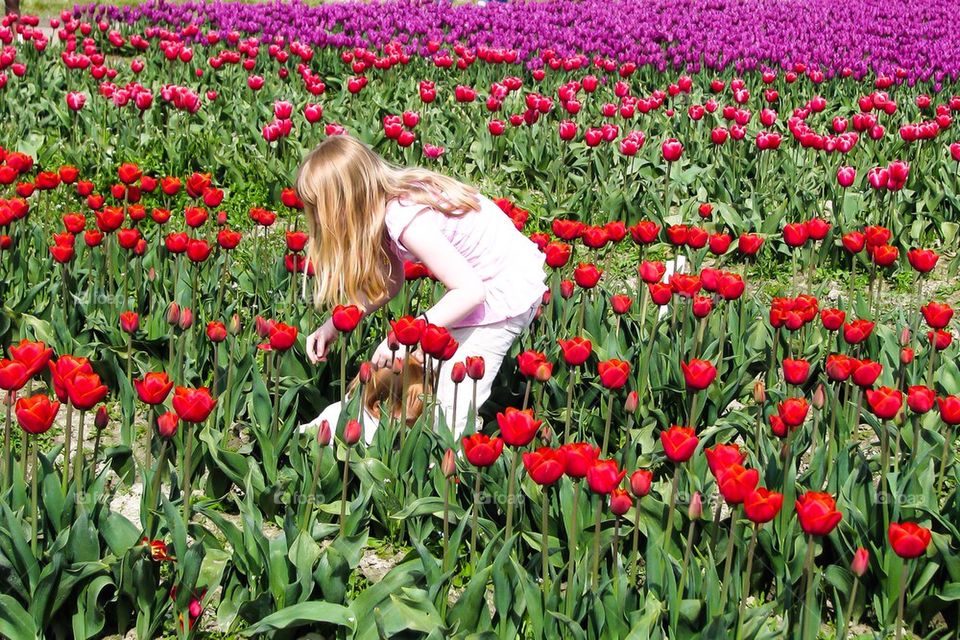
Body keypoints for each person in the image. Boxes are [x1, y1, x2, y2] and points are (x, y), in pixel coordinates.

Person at [295, 135, 546, 438]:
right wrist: (334, 325)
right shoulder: (389, 203)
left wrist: (401, 339)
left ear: (345, 205)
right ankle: (335, 431)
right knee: (425, 377)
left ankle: (449, 464)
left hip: (504, 290)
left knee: (453, 400)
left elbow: (470, 291)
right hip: (483, 285)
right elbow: (390, 279)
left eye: (319, 210)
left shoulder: (405, 216)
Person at [300, 357, 428, 445]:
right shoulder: (364, 429)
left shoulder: (369, 411)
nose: (413, 426)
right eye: (409, 422)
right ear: (379, 408)